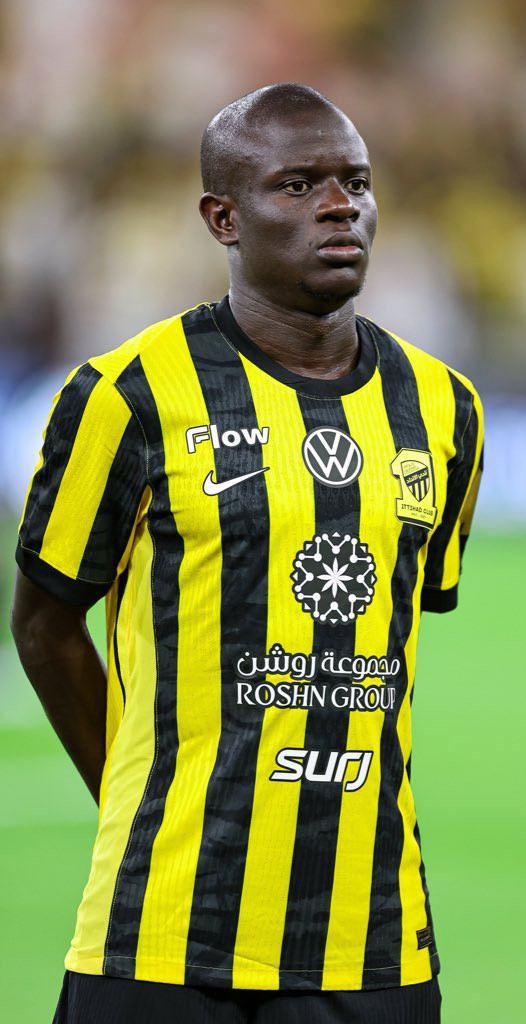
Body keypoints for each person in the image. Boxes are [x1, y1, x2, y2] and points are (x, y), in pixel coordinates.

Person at [10, 83, 483, 1024]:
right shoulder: (128, 394)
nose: (339, 206)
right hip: (158, 931)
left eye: (354, 182)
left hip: (372, 939)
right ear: (222, 218)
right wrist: (138, 801)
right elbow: (44, 624)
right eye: (298, 185)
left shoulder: (443, 408)